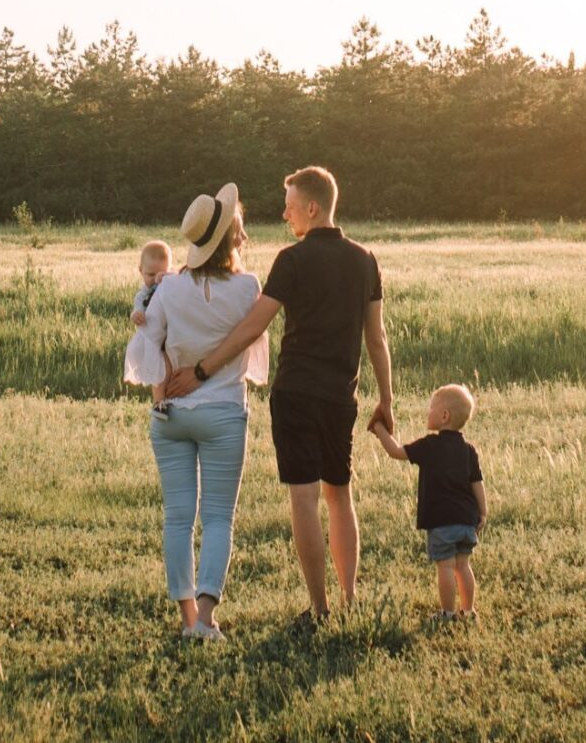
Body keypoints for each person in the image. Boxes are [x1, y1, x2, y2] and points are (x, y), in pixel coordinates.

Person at [167, 166, 393, 624]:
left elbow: (254, 325)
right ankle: (350, 601)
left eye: (290, 206)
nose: (285, 213)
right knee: (340, 494)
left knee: (304, 497)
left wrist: (203, 369)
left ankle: (320, 608)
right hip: (340, 396)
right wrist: (386, 398)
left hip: (294, 394)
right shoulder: (365, 259)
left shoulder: (291, 260)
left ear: (312, 207)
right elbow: (377, 337)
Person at [125, 182, 268, 641]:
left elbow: (149, 345)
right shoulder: (248, 287)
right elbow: (252, 345)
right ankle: (206, 619)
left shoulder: (168, 288)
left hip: (171, 415)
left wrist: (161, 388)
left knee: (178, 517)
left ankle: (187, 619)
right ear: (231, 239)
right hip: (224, 412)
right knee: (219, 516)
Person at [370, 384, 487, 622]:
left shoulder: (430, 446)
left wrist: (379, 429)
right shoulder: (469, 450)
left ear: (444, 416)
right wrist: (483, 512)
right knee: (463, 565)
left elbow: (396, 452)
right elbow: (477, 483)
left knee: (445, 566)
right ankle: (468, 611)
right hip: (467, 521)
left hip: (442, 522)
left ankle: (447, 613)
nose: (428, 411)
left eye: (431, 407)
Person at [124, 240, 176, 419]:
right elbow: (137, 309)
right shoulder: (143, 294)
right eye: (150, 274)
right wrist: (136, 315)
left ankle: (175, 398)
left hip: (171, 336)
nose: (155, 280)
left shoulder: (171, 284)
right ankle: (159, 404)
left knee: (173, 368)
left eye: (161, 273)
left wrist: (169, 278)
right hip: (153, 339)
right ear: (140, 271)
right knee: (159, 371)